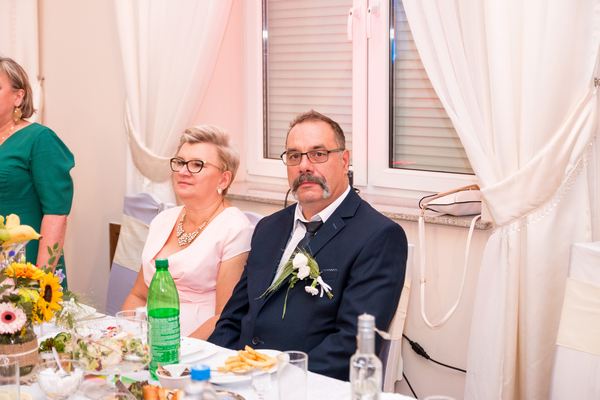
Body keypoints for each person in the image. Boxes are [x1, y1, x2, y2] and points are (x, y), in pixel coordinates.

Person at [209, 110, 408, 380]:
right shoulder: (267, 228)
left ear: (344, 161)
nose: (304, 166)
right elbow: (233, 317)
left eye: (318, 154)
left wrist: (275, 380)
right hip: (238, 378)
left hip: (304, 384)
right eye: (294, 156)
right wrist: (214, 372)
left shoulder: (378, 236)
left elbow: (351, 343)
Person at [122, 126, 254, 339]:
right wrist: (126, 339)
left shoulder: (235, 227)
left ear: (223, 180)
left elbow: (224, 316)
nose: (183, 171)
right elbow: (138, 295)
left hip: (197, 346)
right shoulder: (163, 220)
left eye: (197, 165)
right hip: (145, 340)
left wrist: (175, 351)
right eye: (180, 162)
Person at [0, 56, 74, 286]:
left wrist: (39, 282)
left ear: (18, 96)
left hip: (25, 265)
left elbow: (56, 214)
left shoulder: (39, 139)